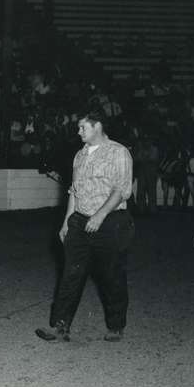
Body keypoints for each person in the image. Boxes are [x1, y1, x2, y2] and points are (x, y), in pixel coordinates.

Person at [36, 111, 134, 343]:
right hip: (80, 221)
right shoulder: (79, 156)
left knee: (111, 276)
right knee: (71, 274)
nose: (78, 132)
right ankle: (60, 326)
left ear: (97, 126)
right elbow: (74, 191)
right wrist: (67, 222)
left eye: (82, 127)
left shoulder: (119, 152)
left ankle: (116, 326)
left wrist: (100, 216)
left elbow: (122, 190)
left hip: (111, 222)